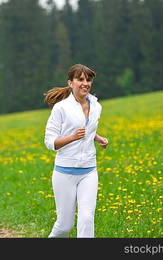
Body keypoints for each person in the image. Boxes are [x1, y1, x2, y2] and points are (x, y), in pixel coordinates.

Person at [43, 63, 109, 238]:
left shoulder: (96, 106)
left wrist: (97, 137)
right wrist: (72, 137)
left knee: (87, 218)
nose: (85, 83)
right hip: (64, 172)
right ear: (70, 83)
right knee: (65, 226)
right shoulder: (61, 108)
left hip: (89, 170)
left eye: (88, 80)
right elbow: (50, 142)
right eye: (80, 79)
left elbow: (88, 128)